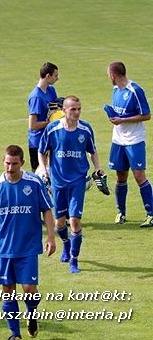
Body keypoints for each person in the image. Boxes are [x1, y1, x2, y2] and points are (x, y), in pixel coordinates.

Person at [0, 145, 56, 340]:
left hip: (28, 248)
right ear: (3, 161)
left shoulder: (34, 183)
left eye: (14, 164)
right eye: (7, 163)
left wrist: (51, 237)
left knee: (30, 290)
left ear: (22, 163)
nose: (10, 167)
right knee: (7, 291)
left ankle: (32, 315)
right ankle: (15, 334)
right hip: (4, 249)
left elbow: (47, 210)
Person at [37, 96, 105, 274]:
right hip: (58, 182)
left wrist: (98, 168)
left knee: (74, 220)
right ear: (64, 110)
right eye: (73, 109)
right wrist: (44, 170)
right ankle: (66, 245)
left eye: (79, 109)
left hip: (78, 181)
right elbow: (41, 152)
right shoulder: (53, 128)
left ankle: (74, 260)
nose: (76, 112)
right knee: (60, 222)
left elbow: (93, 151)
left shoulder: (85, 129)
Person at [106, 61, 153, 227]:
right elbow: (119, 114)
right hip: (118, 140)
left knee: (139, 176)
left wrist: (123, 120)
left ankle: (151, 214)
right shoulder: (115, 90)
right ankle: (121, 212)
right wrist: (114, 118)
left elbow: (147, 115)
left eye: (108, 75)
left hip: (134, 140)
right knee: (121, 176)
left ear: (113, 75)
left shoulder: (135, 90)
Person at [27, 62, 60, 171]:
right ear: (48, 76)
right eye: (55, 75)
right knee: (40, 174)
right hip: (38, 142)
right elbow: (32, 125)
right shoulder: (36, 97)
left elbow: (54, 110)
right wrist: (51, 122)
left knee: (52, 173)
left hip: (50, 138)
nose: (57, 78)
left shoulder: (51, 90)